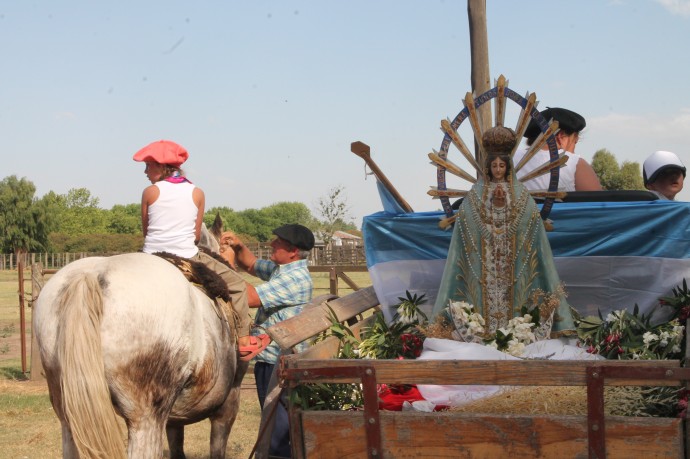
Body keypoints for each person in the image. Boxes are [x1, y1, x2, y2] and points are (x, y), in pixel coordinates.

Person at [133, 139, 269, 361]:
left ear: (162, 166)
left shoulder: (149, 192)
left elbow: (147, 232)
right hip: (185, 256)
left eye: (149, 165)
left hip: (151, 256)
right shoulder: (197, 193)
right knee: (236, 284)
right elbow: (196, 236)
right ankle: (244, 340)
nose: (146, 171)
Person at [432, 126, 575, 337]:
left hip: (514, 266)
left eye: (501, 165)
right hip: (483, 268)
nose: (498, 170)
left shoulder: (522, 195)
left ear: (508, 167)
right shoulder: (474, 196)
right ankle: (477, 331)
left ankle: (522, 331)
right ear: (487, 167)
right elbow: (465, 220)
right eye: (494, 165)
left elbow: (530, 220)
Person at [220, 224, 314, 459]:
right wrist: (239, 246)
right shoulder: (281, 269)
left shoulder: (294, 278)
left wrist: (227, 266)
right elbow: (251, 264)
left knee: (277, 427)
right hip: (274, 360)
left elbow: (250, 298)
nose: (271, 244)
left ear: (292, 251)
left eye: (278, 242)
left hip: (278, 363)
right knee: (276, 421)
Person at [513, 107, 602, 192]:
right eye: (575, 140)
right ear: (561, 137)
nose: (575, 147)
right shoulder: (574, 163)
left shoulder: (508, 159)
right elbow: (600, 204)